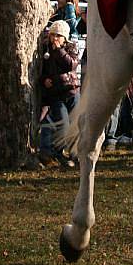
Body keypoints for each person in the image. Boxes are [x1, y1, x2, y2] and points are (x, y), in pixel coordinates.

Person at [39, 20, 80, 168]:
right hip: (57, 95)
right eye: (53, 35)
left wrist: (59, 51)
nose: (55, 38)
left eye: (59, 35)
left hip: (72, 91)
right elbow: (42, 71)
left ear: (65, 37)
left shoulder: (70, 48)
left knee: (76, 125)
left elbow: (71, 65)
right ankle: (57, 152)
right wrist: (45, 81)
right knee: (63, 125)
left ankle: (75, 155)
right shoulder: (46, 51)